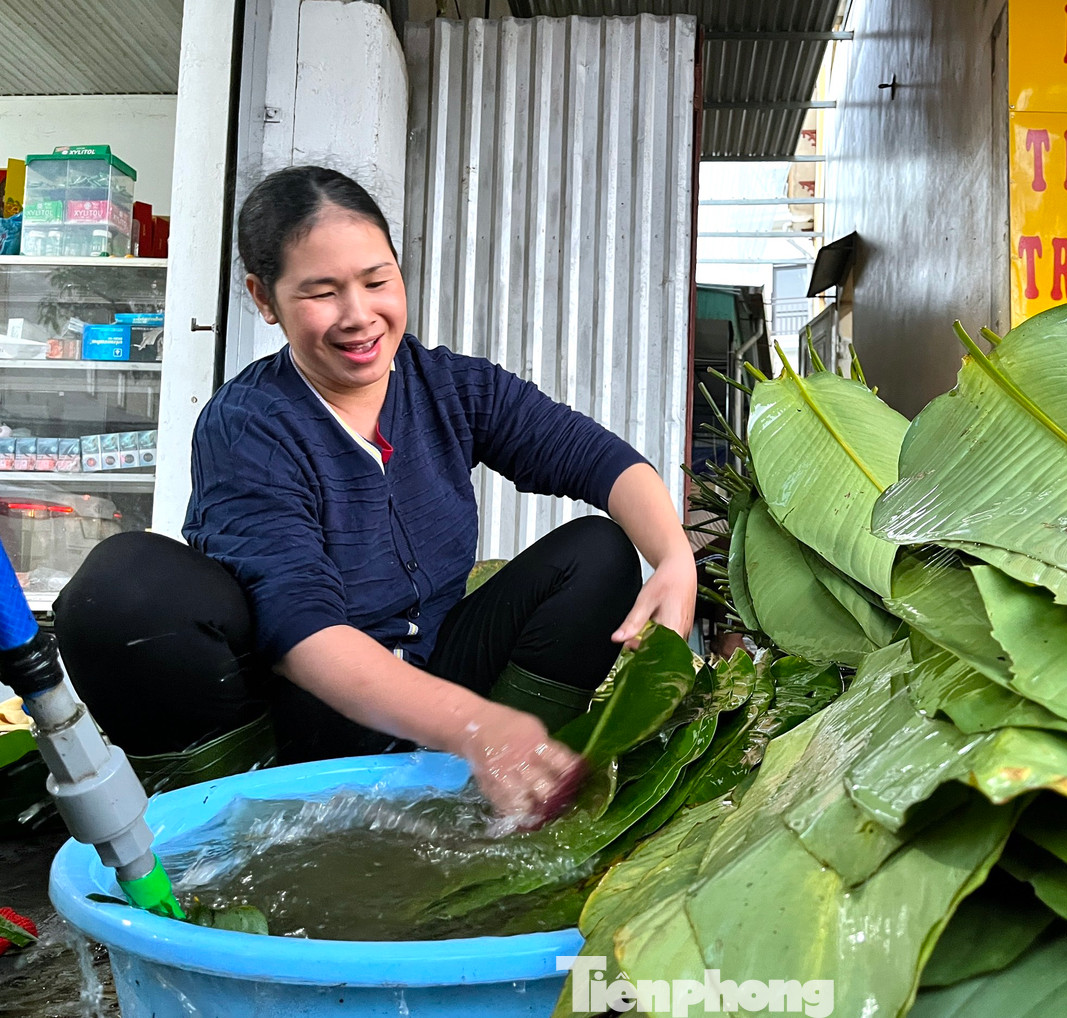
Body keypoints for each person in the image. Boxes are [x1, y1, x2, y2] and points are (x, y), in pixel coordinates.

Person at [53, 166, 697, 824]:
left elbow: (597, 458)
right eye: (322, 292)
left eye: (377, 280)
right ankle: (233, 823)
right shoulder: (251, 424)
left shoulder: (448, 387)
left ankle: (519, 790)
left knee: (599, 553)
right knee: (125, 588)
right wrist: (475, 723)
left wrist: (675, 557)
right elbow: (299, 625)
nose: (359, 317)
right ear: (264, 298)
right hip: (308, 711)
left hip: (437, 676)